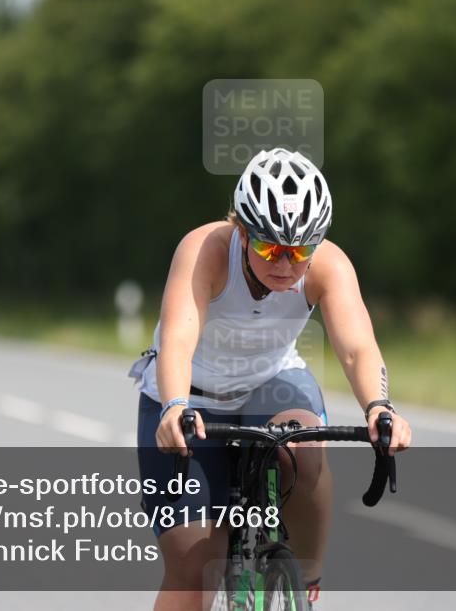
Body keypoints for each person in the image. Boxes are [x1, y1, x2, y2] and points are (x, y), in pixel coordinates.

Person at [130, 147, 412, 611]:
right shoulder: (206, 250)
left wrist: (380, 407)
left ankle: (307, 576)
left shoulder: (329, 265)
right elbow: (178, 336)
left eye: (300, 250)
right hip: (188, 397)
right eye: (269, 248)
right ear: (241, 229)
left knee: (305, 445)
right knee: (194, 568)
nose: (285, 263)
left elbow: (357, 346)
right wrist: (174, 405)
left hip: (271, 382)